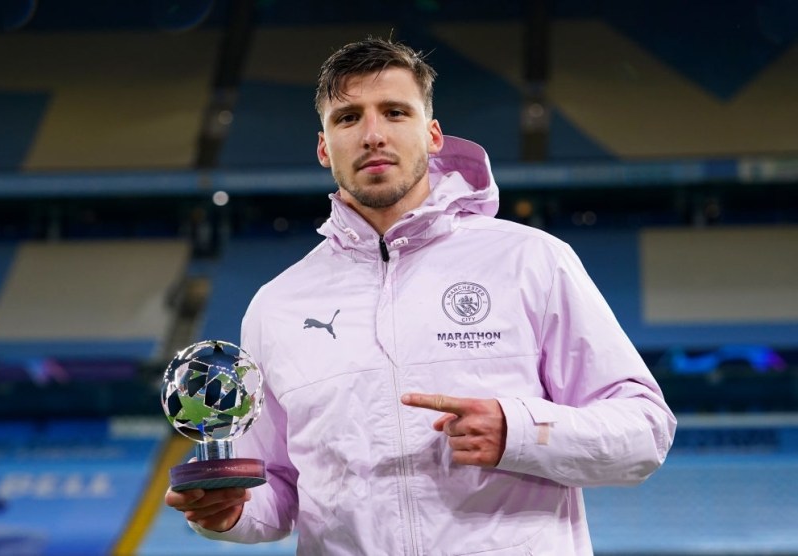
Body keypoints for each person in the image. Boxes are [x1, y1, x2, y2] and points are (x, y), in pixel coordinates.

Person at [165, 36, 676, 555]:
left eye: (394, 112)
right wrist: (230, 513)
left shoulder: (531, 260)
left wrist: (519, 432)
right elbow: (278, 485)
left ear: (432, 135)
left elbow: (645, 432)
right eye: (348, 118)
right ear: (323, 148)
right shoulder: (277, 306)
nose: (372, 135)